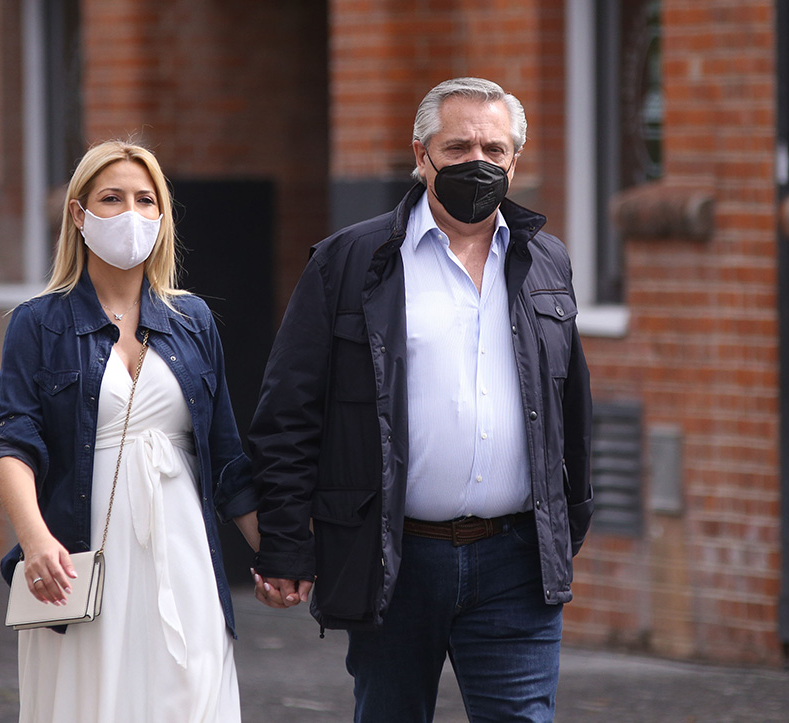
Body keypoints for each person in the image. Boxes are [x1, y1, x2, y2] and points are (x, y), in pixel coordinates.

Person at [249, 78, 593, 722]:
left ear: (516, 160)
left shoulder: (546, 261)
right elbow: (289, 413)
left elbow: (571, 405)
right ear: (421, 154)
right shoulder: (350, 261)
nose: (478, 161)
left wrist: (567, 523)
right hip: (394, 558)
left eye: (495, 147)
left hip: (516, 559)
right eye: (458, 146)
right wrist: (289, 545)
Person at [0, 140, 261, 722]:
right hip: (78, 562)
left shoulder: (193, 320)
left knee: (190, 696)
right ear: (79, 214)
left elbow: (227, 456)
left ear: (162, 217)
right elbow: (14, 443)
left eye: (145, 199)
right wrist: (36, 541)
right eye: (111, 198)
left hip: (183, 553)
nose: (131, 213)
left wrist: (282, 556)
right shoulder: (37, 324)